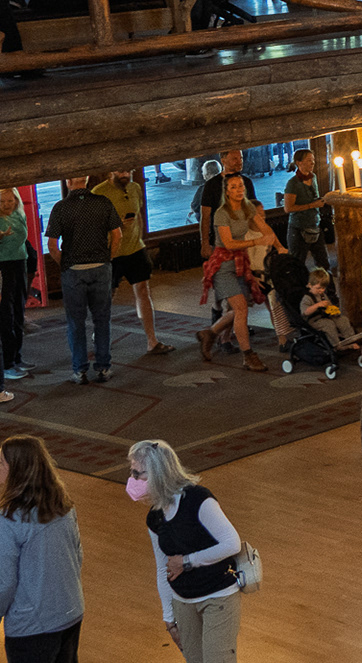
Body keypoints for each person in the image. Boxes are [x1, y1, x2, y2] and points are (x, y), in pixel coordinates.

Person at [129, 439, 244, 663]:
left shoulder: (198, 500)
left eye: (137, 474)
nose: (132, 480)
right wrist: (169, 617)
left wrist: (187, 561)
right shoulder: (155, 517)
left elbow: (232, 543)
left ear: (158, 473)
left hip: (218, 597)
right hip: (183, 601)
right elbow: (163, 568)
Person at [0, 434, 85, 662]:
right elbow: (77, 556)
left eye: (1, 462)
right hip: (71, 612)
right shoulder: (65, 507)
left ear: (17, 469)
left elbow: (4, 582)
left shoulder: (8, 520)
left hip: (32, 627)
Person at [200, 173, 284, 371]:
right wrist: (256, 242)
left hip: (241, 263)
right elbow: (229, 243)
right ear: (226, 192)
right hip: (223, 265)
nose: (239, 190)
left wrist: (280, 246)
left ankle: (210, 333)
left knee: (240, 307)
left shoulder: (248, 208)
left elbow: (265, 229)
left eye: (240, 186)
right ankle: (249, 355)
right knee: (241, 309)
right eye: (234, 187)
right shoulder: (222, 213)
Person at [44, 178, 121, 386]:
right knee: (102, 319)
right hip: (100, 266)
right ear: (86, 180)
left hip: (74, 270)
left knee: (76, 322)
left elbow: (52, 245)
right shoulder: (103, 202)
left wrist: (66, 264)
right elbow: (117, 235)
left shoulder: (61, 208)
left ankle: (79, 370)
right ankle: (103, 367)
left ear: (68, 182)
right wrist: (108, 259)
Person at [94, 169, 173, 358]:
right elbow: (93, 226)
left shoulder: (135, 187)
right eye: (120, 171)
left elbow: (139, 215)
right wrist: (116, 225)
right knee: (107, 297)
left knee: (143, 291)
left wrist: (141, 238)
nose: (125, 174)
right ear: (110, 171)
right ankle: (100, 337)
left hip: (135, 248)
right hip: (111, 252)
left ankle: (152, 341)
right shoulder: (99, 193)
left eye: (128, 170)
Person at [196, 149, 254, 261]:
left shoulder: (247, 182)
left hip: (245, 238)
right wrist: (205, 243)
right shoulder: (212, 185)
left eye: (241, 158)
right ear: (223, 161)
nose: (239, 162)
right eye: (235, 159)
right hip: (221, 240)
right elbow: (205, 216)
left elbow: (253, 210)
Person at [280, 149, 330, 274]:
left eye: (313, 160)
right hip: (298, 229)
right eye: (308, 160)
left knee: (323, 262)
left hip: (315, 225)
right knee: (297, 264)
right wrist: (312, 205)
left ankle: (326, 285)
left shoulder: (313, 177)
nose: (312, 163)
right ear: (299, 162)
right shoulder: (293, 184)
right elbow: (288, 208)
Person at [0, 190, 31, 382]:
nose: (6, 204)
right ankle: (7, 364)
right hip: (3, 266)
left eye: (10, 200)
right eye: (2, 201)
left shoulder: (19, 214)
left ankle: (17, 357)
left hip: (20, 263)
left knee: (19, 312)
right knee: (6, 315)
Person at [298, 268, 361, 357]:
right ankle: (337, 345)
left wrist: (333, 310)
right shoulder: (307, 298)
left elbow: (329, 305)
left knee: (342, 319)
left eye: (323, 288)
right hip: (314, 320)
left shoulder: (323, 295)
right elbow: (305, 312)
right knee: (328, 324)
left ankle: (350, 339)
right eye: (318, 288)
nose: (321, 290)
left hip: (325, 315)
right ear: (310, 285)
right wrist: (317, 305)